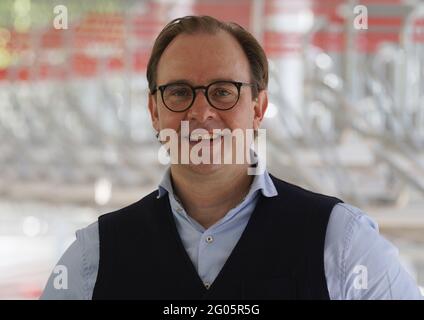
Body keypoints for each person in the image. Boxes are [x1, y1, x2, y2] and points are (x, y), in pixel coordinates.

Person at [41, 15, 423, 300]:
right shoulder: (95, 256)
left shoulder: (342, 242)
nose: (200, 113)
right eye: (178, 92)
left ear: (258, 108)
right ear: (154, 110)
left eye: (223, 91)